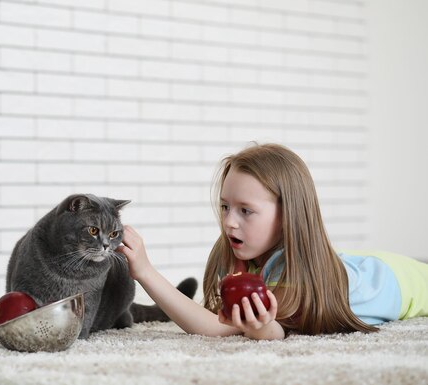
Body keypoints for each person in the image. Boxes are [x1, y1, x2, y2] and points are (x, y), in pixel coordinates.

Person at [117, 143, 428, 340]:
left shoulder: (293, 276)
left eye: (246, 210)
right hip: (359, 263)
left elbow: (222, 329)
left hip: (403, 279)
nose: (229, 221)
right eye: (226, 206)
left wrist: (145, 271)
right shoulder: (246, 253)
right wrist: (259, 326)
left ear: (288, 216)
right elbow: (267, 326)